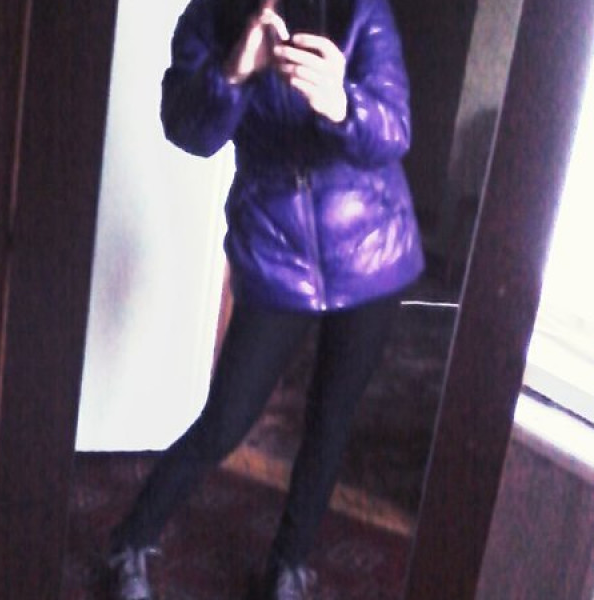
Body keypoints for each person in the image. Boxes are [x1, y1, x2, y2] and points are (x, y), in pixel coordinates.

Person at [108, 0, 424, 598]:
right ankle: (129, 542)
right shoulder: (210, 18)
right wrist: (232, 74)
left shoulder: (362, 12)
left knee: (331, 421)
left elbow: (395, 130)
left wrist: (342, 104)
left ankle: (288, 564)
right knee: (225, 421)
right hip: (277, 255)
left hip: (371, 251)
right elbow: (188, 131)